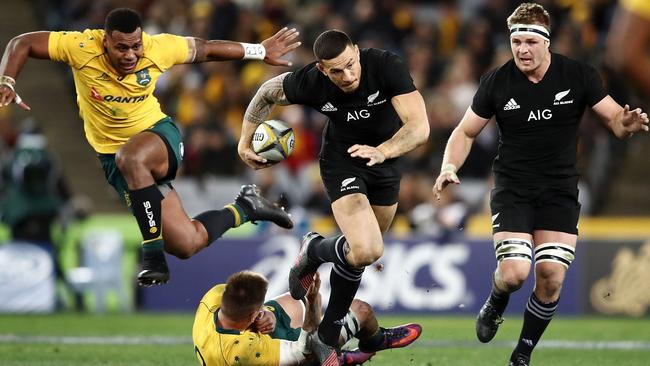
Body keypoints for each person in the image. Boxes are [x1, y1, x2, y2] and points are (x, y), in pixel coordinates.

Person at [0, 8, 299, 286]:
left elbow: (206, 48)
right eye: (121, 48)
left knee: (130, 157)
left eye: (136, 46)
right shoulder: (80, 47)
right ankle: (247, 206)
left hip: (158, 137)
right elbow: (21, 42)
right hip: (115, 161)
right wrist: (8, 80)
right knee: (186, 243)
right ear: (104, 42)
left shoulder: (159, 48)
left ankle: (152, 255)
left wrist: (260, 50)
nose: (131, 54)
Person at [433, 3, 649, 366]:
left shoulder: (578, 75)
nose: (522, 49)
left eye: (531, 41)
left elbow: (613, 117)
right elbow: (465, 131)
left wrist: (625, 125)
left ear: (547, 41)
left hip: (559, 191)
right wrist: (448, 165)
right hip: (513, 189)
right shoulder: (497, 81)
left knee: (550, 277)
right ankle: (496, 299)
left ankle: (522, 354)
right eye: (516, 41)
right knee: (516, 274)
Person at [237, 29, 429, 362]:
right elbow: (268, 91)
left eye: (351, 65)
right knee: (367, 248)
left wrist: (383, 152)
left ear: (357, 52)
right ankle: (328, 334)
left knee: (361, 255)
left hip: (384, 160)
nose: (348, 75)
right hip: (342, 162)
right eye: (336, 70)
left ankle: (315, 254)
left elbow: (419, 128)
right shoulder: (311, 81)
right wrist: (245, 140)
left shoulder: (386, 66)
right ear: (323, 69)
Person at [192, 270, 422, 366]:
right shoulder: (240, 350)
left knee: (293, 300)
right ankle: (343, 355)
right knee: (361, 311)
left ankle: (354, 348)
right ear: (250, 316)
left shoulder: (213, 298)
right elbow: (302, 348)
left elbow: (243, 307)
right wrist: (312, 304)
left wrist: (265, 315)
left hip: (250, 340)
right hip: (262, 358)